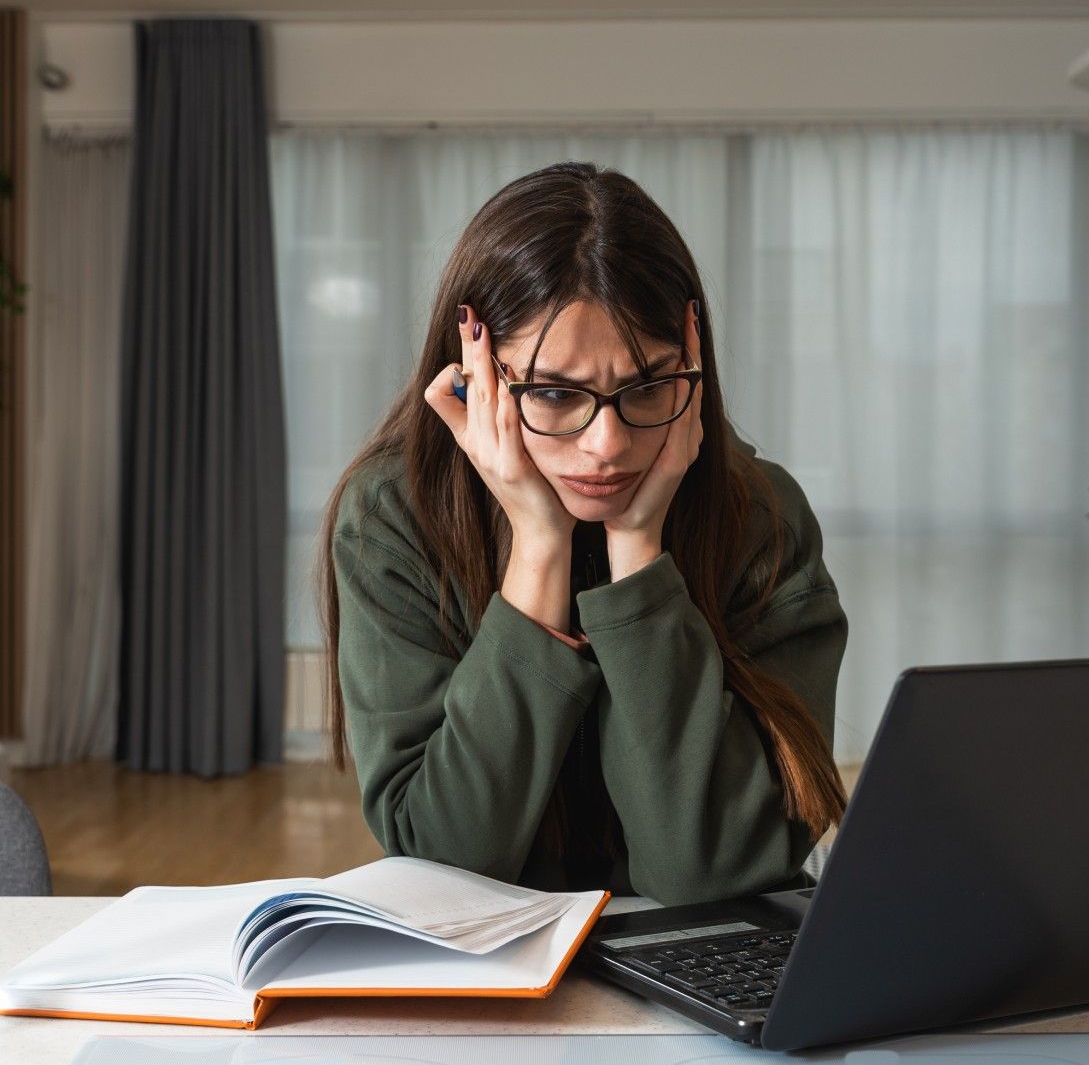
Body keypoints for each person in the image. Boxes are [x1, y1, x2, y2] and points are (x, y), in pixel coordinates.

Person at [317, 161, 849, 905]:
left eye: (648, 386)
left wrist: (639, 555)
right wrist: (538, 549)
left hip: (722, 986)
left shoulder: (762, 516)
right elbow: (445, 864)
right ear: (476, 373)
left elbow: (713, 868)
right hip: (492, 992)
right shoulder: (392, 520)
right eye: (556, 393)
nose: (605, 444)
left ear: (694, 365)